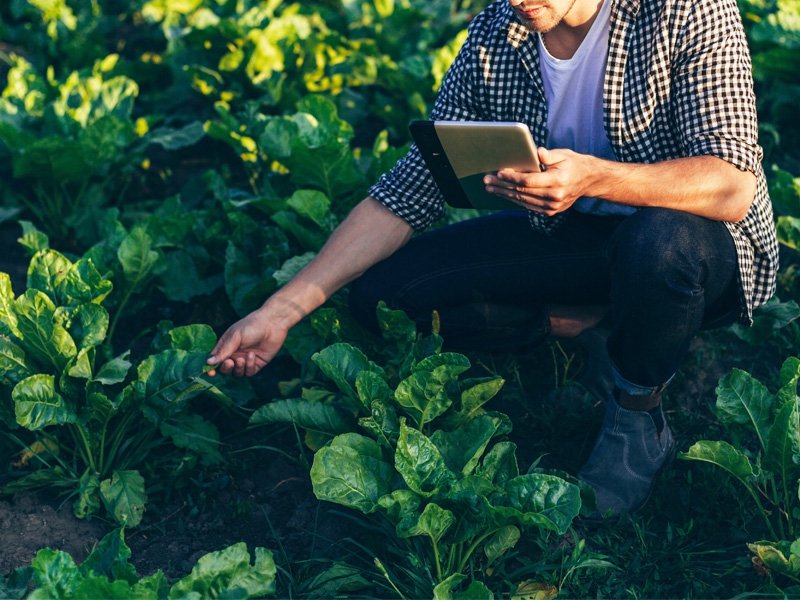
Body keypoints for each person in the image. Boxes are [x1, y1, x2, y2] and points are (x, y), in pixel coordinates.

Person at [207, 0, 779, 519]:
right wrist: (282, 310)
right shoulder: (496, 33)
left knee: (656, 246)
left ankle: (636, 412)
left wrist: (593, 177)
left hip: (698, 247)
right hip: (573, 236)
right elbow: (413, 186)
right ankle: (591, 321)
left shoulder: (684, 11)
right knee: (384, 297)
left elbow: (731, 184)